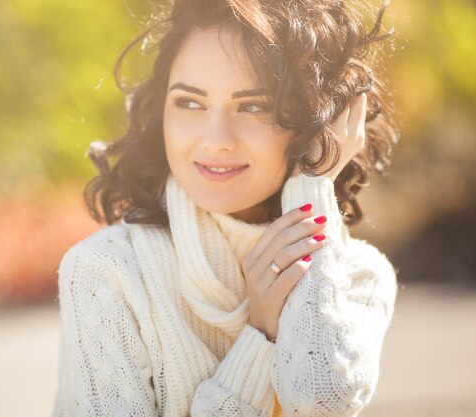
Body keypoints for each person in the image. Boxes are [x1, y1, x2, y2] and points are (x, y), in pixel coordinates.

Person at [52, 0, 399, 415]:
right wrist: (260, 335)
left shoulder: (358, 275)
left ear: (317, 123)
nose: (215, 139)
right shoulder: (108, 271)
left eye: (254, 106)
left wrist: (312, 180)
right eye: (190, 103)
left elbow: (320, 400)